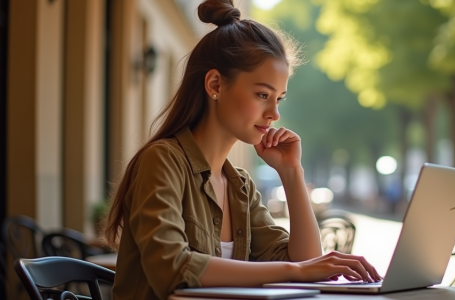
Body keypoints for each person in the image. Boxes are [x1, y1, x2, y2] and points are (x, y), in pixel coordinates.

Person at [103, 1, 381, 299]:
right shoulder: (162, 161)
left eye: (279, 99)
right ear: (215, 85)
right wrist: (296, 272)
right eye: (262, 94)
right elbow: (172, 269)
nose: (274, 113)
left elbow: (304, 262)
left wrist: (291, 173)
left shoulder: (240, 187)